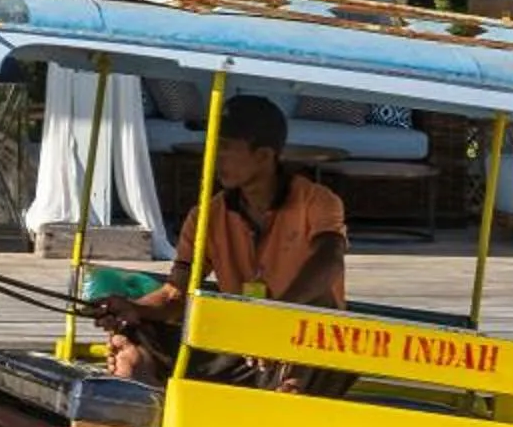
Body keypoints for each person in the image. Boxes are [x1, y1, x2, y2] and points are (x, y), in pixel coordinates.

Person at [98, 93, 347, 390]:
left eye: (225, 147)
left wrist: (276, 318)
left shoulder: (317, 201)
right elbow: (175, 295)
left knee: (316, 315)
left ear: (264, 156)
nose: (213, 155)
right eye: (213, 145)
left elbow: (328, 260)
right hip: (241, 343)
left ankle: (286, 393)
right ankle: (139, 385)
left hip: (301, 345)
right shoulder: (207, 215)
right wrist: (134, 308)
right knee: (136, 328)